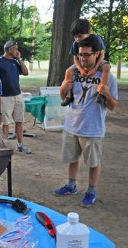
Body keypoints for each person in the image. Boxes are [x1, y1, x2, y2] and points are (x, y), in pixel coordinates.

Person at [54, 35, 118, 207]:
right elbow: (64, 95)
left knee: (93, 162)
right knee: (72, 159)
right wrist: (63, 89)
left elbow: (112, 105)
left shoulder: (108, 77)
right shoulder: (73, 72)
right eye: (81, 54)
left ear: (97, 54)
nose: (83, 58)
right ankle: (71, 185)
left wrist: (107, 94)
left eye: (87, 55)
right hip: (71, 125)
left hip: (93, 128)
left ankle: (91, 191)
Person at [61, 18, 110, 106]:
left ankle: (101, 94)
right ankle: (69, 96)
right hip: (81, 63)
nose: (77, 39)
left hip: (97, 61)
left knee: (106, 67)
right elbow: (76, 58)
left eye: (80, 36)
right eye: (75, 36)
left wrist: (95, 68)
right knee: (68, 71)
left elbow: (102, 55)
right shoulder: (75, 44)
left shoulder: (96, 39)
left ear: (88, 32)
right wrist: (81, 70)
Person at [0, 41, 31, 154]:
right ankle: (5, 147)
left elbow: (25, 72)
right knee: (5, 123)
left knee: (19, 121)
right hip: (5, 97)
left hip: (18, 95)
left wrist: (19, 59)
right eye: (15, 49)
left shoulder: (15, 61)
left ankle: (20, 145)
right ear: (9, 49)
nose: (17, 51)